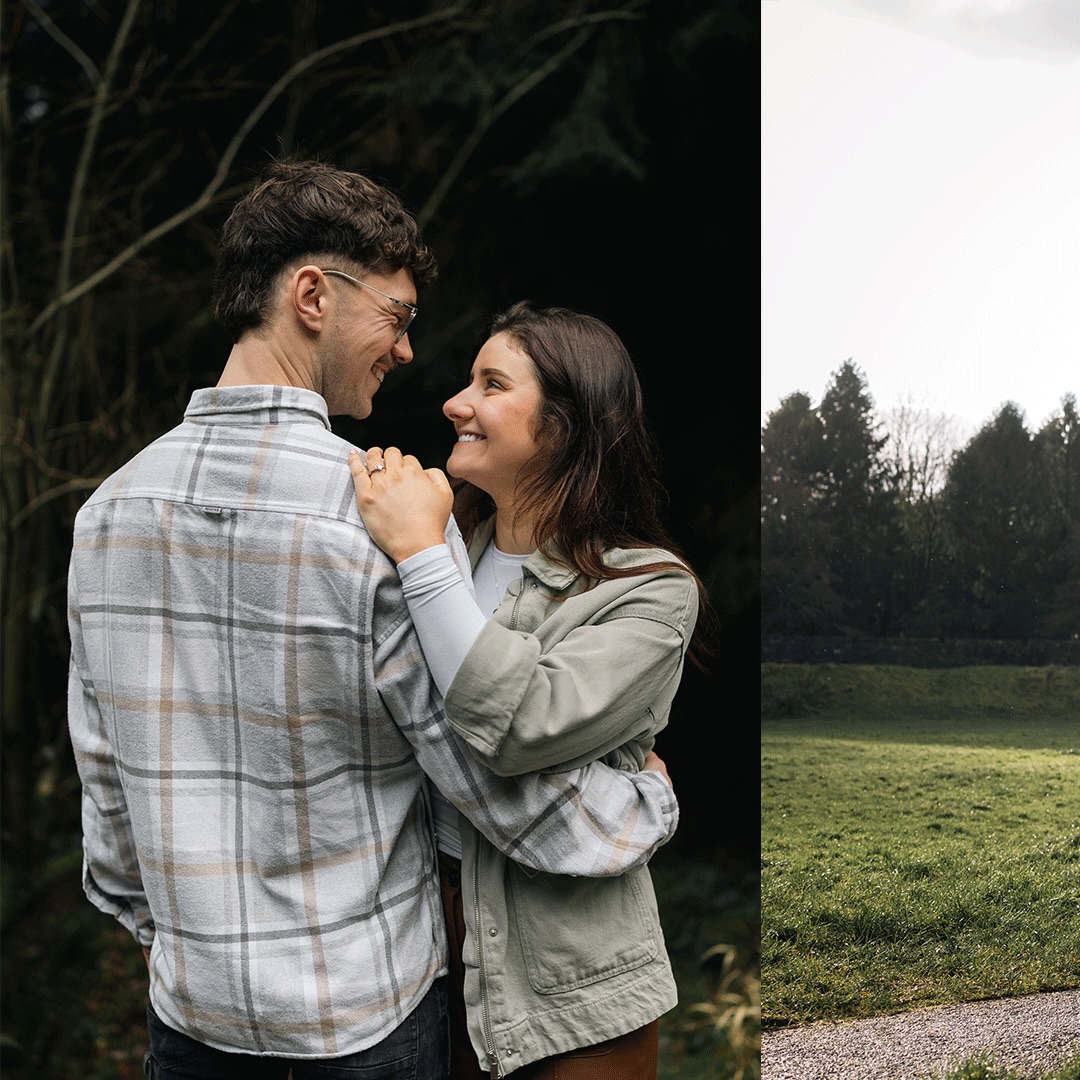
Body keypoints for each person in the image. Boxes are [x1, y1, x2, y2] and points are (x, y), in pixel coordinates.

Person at [65, 162, 681, 1080]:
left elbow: (103, 769)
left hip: (189, 1015)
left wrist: (155, 930)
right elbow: (475, 773)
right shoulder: (374, 517)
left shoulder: (108, 511)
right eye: (395, 317)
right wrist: (641, 806)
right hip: (361, 1018)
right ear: (312, 295)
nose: (404, 353)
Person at [348, 301, 708, 1079]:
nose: (454, 401)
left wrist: (415, 554)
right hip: (414, 953)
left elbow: (520, 726)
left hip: (570, 982)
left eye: (491, 383)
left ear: (564, 425)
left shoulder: (651, 590)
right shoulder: (450, 550)